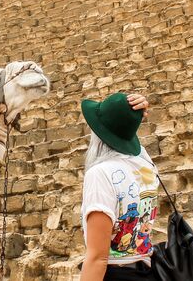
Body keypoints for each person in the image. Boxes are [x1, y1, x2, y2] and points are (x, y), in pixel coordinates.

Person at [80, 92, 158, 281]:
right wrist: (133, 117)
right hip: (147, 271)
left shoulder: (100, 174)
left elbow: (98, 257)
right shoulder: (147, 168)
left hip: (114, 274)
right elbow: (137, 147)